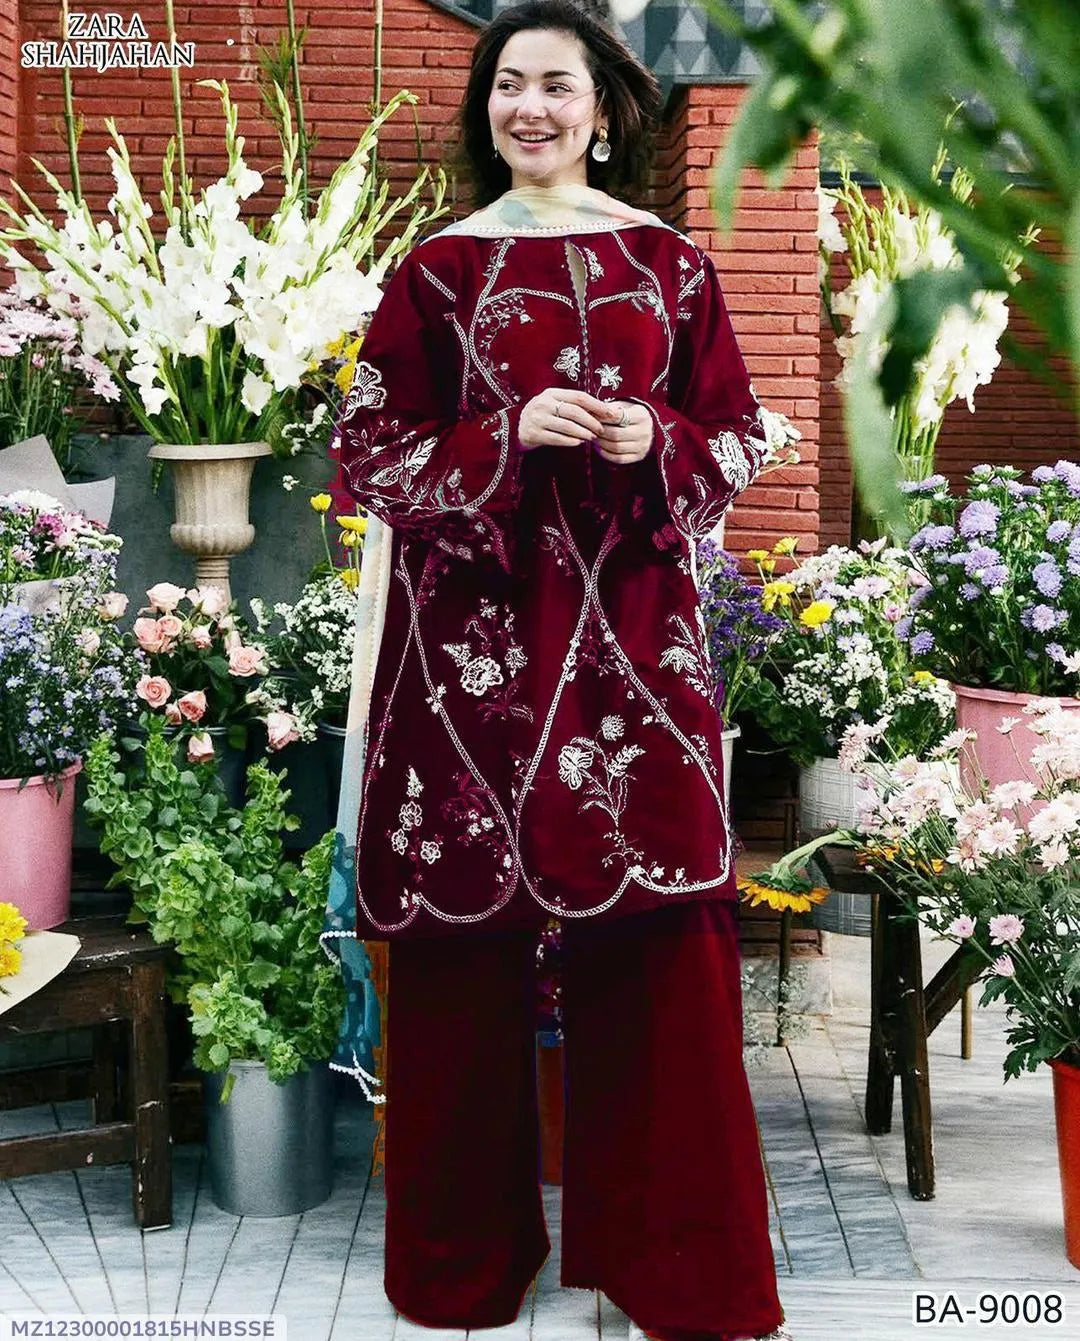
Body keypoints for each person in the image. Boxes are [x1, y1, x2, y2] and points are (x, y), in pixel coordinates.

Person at [333, 3, 790, 1338]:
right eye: (509, 85)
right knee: (461, 966)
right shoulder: (431, 273)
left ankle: (678, 1270)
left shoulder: (673, 269)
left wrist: (652, 437)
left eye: (557, 86)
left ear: (605, 110)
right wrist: (503, 431)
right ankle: (461, 1271)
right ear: (490, 108)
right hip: (467, 663)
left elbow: (743, 433)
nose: (529, 107)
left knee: (658, 953)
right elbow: (371, 454)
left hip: (628, 657)